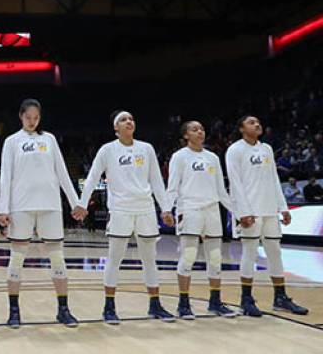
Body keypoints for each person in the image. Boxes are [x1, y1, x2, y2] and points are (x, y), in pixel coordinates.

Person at [75, 111, 175, 325]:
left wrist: (165, 208)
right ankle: (109, 307)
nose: (128, 121)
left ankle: (155, 304)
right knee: (114, 259)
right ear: (115, 128)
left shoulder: (146, 148)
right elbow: (93, 177)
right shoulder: (108, 150)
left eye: (130, 118)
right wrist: (82, 204)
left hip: (145, 209)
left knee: (150, 260)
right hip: (120, 210)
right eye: (123, 119)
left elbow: (157, 180)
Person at [0, 99, 85, 328]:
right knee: (17, 258)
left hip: (50, 205)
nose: (32, 122)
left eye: (36, 118)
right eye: (28, 117)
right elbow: (6, 176)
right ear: (20, 116)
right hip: (21, 206)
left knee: (57, 257)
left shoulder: (49, 139)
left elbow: (62, 172)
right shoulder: (12, 141)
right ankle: (14, 311)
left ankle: (63, 309)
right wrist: (2, 208)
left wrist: (75, 202)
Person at [225, 116, 307, 316]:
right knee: (249, 254)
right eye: (251, 122)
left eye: (258, 122)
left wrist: (283, 207)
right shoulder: (235, 150)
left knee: (275, 253)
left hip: (270, 210)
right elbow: (235, 183)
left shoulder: (267, 149)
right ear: (241, 128)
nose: (257, 124)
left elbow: (274, 178)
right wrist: (242, 212)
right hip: (251, 211)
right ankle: (246, 299)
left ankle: (280, 297)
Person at [163, 121, 237, 319]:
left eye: (202, 129)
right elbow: (173, 186)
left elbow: (221, 190)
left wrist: (236, 211)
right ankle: (183, 304)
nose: (200, 132)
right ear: (186, 135)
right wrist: (167, 209)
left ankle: (215, 302)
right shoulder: (179, 157)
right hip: (189, 209)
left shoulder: (212, 157)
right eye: (194, 129)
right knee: (188, 257)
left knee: (215, 259)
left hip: (212, 210)